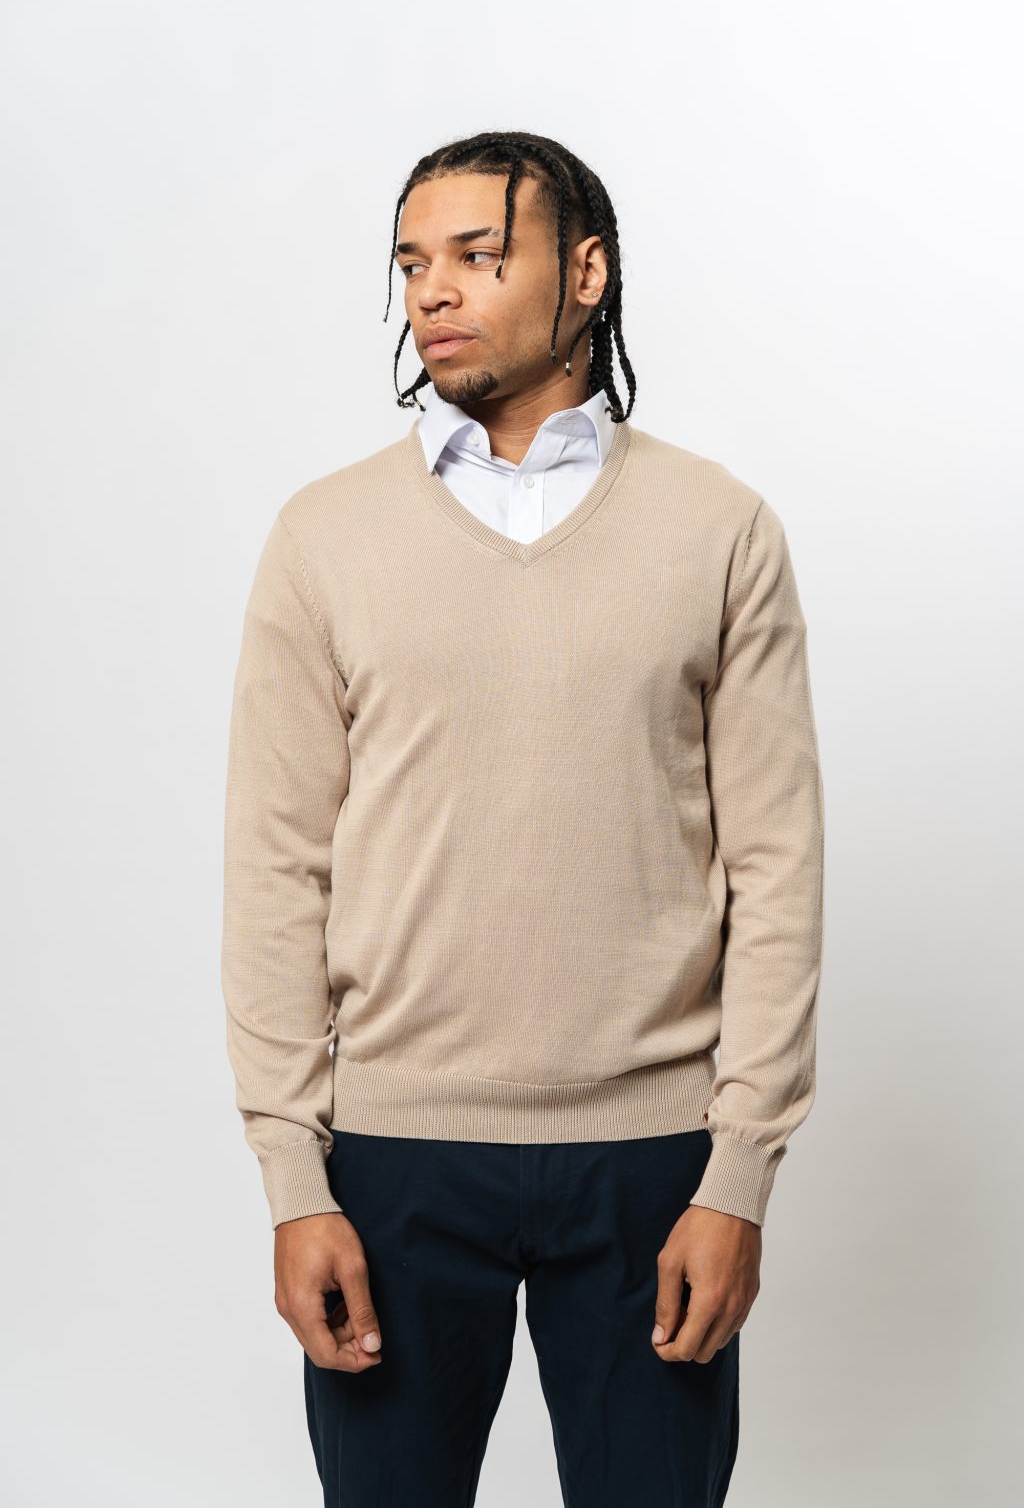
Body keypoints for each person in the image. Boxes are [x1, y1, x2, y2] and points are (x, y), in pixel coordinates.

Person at [221, 129, 825, 1507]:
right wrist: (294, 1182)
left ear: (586, 273)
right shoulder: (325, 538)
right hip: (392, 1161)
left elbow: (777, 867)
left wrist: (738, 1174)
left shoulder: (718, 528)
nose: (433, 291)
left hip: (657, 1164)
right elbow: (275, 870)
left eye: (479, 255)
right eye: (412, 264)